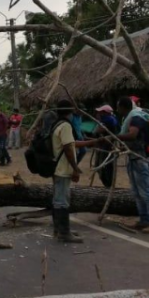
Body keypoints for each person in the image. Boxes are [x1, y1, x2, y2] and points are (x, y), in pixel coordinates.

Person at [50, 100, 102, 243]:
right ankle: (64, 232)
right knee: (62, 201)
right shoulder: (66, 126)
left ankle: (59, 229)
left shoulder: (57, 124)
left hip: (57, 168)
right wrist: (75, 168)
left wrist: (91, 142)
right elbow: (68, 148)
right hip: (62, 168)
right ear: (70, 112)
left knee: (58, 198)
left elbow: (72, 144)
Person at [116, 96, 149, 233]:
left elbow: (132, 135)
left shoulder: (136, 117)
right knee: (137, 192)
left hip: (141, 159)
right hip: (134, 158)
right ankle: (144, 220)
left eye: (118, 107)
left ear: (123, 107)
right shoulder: (131, 118)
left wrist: (114, 136)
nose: (117, 110)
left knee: (147, 192)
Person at [93, 105, 119, 188]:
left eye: (100, 112)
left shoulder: (108, 119)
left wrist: (98, 122)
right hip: (106, 146)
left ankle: (108, 185)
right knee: (105, 166)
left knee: (103, 166)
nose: (98, 114)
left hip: (106, 146)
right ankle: (108, 184)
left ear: (105, 113)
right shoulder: (112, 119)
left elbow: (96, 131)